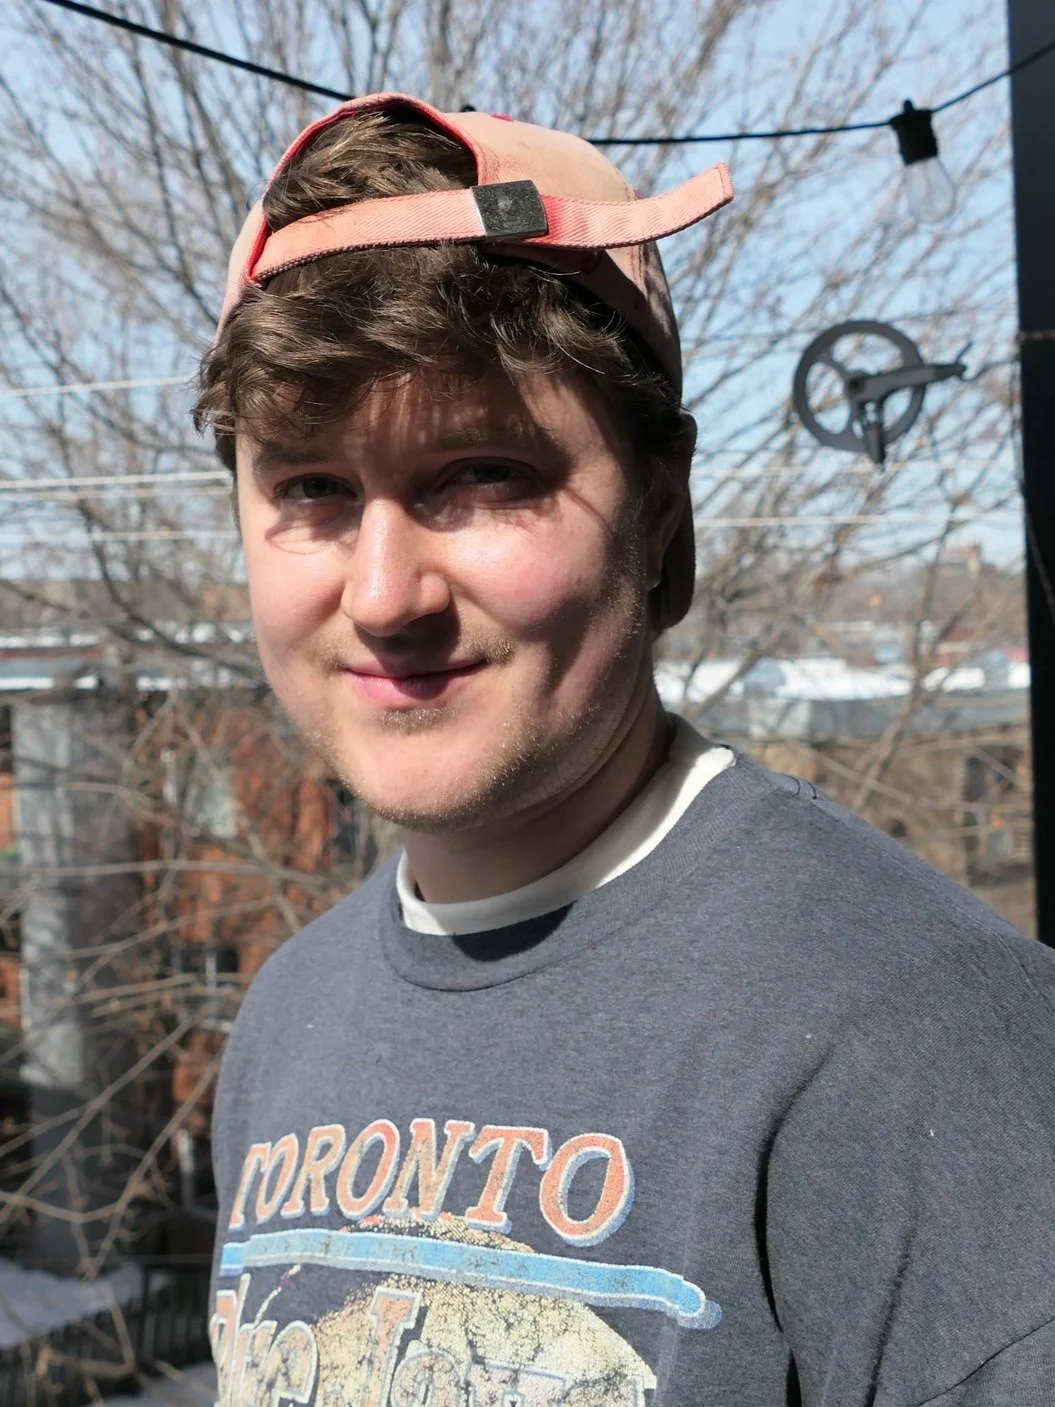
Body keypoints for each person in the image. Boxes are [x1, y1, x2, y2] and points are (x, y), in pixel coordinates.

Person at [195, 93, 1055, 1406]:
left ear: (655, 521)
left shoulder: (919, 1035)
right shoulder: (286, 1020)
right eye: (310, 488)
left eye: (478, 474)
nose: (382, 593)